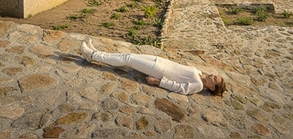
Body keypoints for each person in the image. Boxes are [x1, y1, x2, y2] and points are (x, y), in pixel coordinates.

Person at [81, 39, 226, 96]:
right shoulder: (199, 73)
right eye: (215, 75)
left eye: (215, 79)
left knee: (128, 59)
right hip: (159, 61)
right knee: (129, 55)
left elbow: (179, 88)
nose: (213, 75)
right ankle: (97, 53)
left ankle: (92, 55)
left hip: (158, 70)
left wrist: (157, 82)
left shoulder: (198, 86)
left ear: (212, 87)